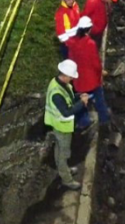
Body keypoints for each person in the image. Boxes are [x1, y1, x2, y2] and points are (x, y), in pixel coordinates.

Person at [44, 59, 90, 191]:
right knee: (64, 153)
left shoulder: (60, 83)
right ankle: (67, 180)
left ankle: (63, 170)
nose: (72, 79)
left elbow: (68, 99)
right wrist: (81, 103)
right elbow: (66, 112)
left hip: (60, 126)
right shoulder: (57, 94)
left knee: (59, 150)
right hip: (61, 127)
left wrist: (78, 96)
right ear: (64, 75)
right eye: (71, 76)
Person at [66, 16, 111, 128]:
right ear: (89, 29)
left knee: (82, 102)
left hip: (79, 81)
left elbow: (71, 60)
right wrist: (100, 73)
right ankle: (104, 118)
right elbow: (95, 63)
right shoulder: (90, 44)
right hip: (92, 80)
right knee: (99, 98)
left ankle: (83, 122)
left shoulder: (72, 43)